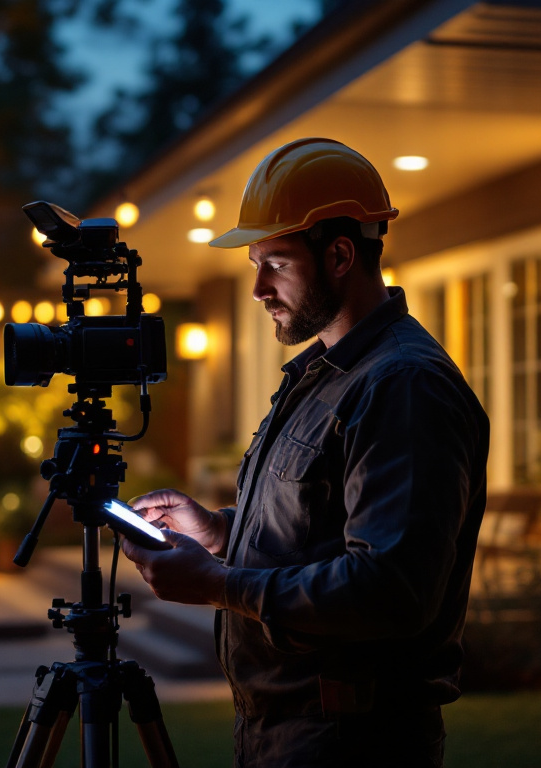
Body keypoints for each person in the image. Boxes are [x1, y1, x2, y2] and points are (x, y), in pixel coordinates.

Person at [120, 137, 490, 768]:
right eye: (255, 265)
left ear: (341, 254)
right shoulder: (326, 374)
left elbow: (390, 588)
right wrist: (219, 533)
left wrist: (220, 584)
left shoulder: (402, 385)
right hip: (287, 731)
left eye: (277, 263)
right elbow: (318, 533)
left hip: (351, 743)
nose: (260, 288)